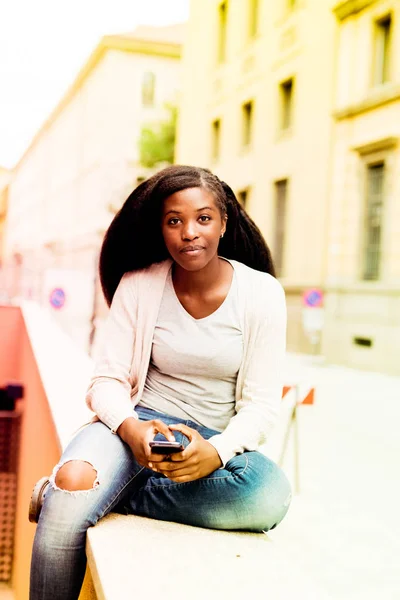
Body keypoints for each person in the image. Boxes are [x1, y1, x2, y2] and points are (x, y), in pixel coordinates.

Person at [29, 165, 291, 600]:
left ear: (224, 222)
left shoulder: (261, 293)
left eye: (203, 218)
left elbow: (262, 406)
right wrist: (132, 430)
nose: (190, 232)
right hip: (136, 422)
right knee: (75, 479)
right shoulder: (139, 284)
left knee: (266, 495)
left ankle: (111, 495)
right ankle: (78, 493)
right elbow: (105, 381)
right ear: (162, 228)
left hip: (210, 437)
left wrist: (216, 452)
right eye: (175, 221)